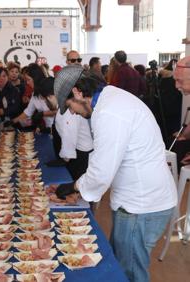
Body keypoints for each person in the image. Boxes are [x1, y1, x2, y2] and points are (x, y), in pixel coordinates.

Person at [54, 65, 177, 282]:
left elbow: (102, 172)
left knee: (128, 274)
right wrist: (82, 188)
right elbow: (103, 160)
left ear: (77, 92)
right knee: (121, 266)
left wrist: (75, 187)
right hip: (142, 200)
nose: (72, 112)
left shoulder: (109, 112)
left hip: (140, 205)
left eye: (69, 105)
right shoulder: (110, 99)